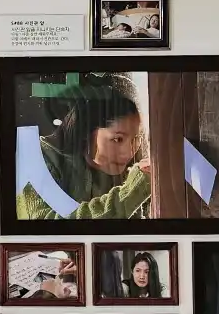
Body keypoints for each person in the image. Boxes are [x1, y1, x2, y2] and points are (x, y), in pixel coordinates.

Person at [16, 72, 153, 221]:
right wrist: (132, 192)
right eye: (118, 139)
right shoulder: (35, 159)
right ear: (86, 130)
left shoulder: (124, 168)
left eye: (137, 138)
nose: (128, 153)